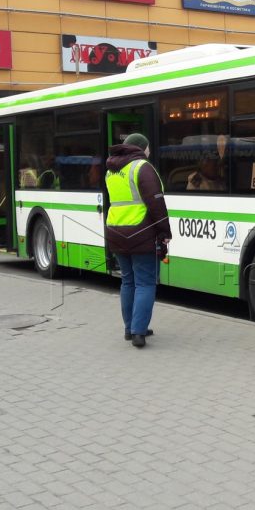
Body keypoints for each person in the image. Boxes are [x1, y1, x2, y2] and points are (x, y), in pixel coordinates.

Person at [105, 132, 172, 348]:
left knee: (128, 280)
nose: (150, 151)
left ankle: (130, 328)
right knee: (145, 282)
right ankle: (138, 332)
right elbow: (156, 204)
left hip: (116, 231)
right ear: (141, 148)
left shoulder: (111, 171)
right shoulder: (142, 168)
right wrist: (164, 232)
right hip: (141, 233)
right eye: (148, 147)